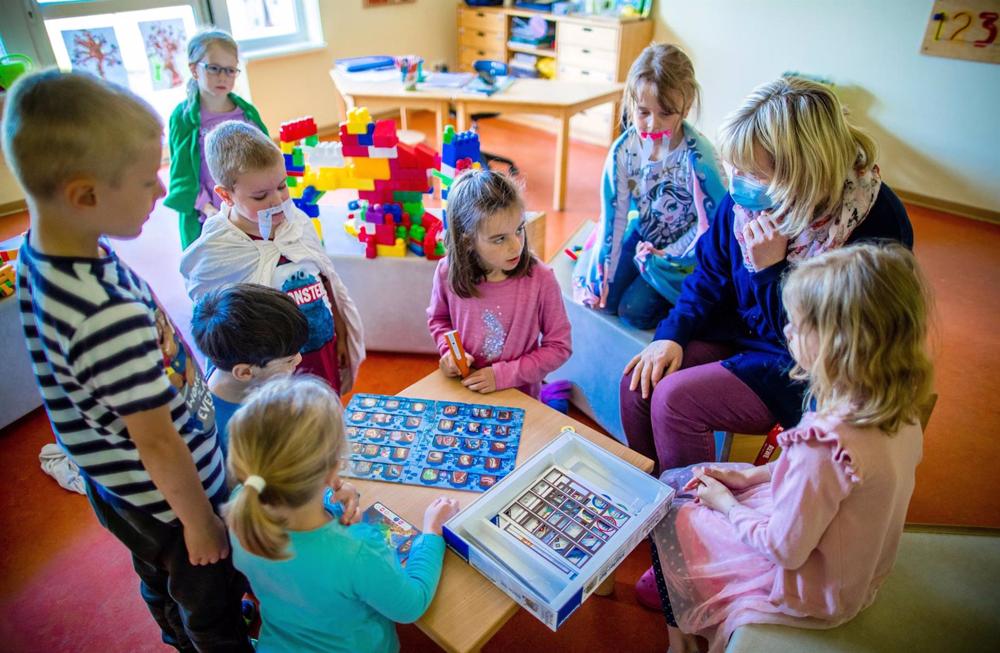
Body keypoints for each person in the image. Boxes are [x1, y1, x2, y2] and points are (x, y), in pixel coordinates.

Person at [621, 76, 913, 608]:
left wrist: (770, 272)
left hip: (802, 363)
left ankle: (696, 553)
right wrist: (671, 336)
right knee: (642, 379)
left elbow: (817, 345)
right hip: (749, 333)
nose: (739, 184)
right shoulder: (753, 200)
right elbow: (708, 275)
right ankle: (663, 519)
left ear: (803, 172)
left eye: (755, 172)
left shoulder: (876, 225)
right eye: (738, 168)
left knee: (674, 401)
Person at [3, 70, 250, 650]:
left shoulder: (52, 248)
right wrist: (199, 522)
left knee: (159, 575)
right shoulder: (102, 314)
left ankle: (171, 626)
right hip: (166, 495)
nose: (162, 191)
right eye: (146, 180)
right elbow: (158, 441)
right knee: (207, 591)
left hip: (117, 483)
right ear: (85, 195)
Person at [650, 243, 932, 653]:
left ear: (837, 343)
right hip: (858, 568)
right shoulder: (900, 408)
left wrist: (727, 502)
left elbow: (782, 548)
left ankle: (679, 637)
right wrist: (754, 474)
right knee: (690, 489)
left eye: (798, 326)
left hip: (811, 588)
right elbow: (835, 485)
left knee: (669, 507)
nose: (786, 332)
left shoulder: (822, 443)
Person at [225, 375, 459, 653]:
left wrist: (328, 499)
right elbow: (410, 607)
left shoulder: (242, 504)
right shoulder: (357, 549)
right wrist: (432, 534)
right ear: (333, 468)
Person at [180, 120, 364, 395]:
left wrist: (340, 331)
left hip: (319, 347)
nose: (277, 200)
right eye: (260, 196)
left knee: (326, 410)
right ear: (225, 195)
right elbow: (218, 327)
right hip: (273, 366)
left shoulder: (297, 223)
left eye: (282, 186)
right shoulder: (217, 251)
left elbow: (326, 280)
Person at [573, 43, 726, 329]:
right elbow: (615, 216)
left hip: (684, 253)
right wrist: (604, 268)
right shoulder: (624, 150)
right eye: (643, 112)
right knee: (604, 299)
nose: (652, 124)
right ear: (631, 103)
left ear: (686, 107)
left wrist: (669, 255)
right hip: (642, 235)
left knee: (633, 312)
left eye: (666, 113)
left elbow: (713, 226)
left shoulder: (699, 159)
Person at [427, 169, 572, 398]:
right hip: (466, 388)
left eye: (519, 230)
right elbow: (439, 319)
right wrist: (450, 354)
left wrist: (502, 376)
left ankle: (551, 395)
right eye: (500, 239)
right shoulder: (447, 271)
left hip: (520, 396)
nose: (516, 246)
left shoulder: (542, 279)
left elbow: (559, 347)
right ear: (468, 242)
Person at [164, 28, 268, 249]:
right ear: (194, 69)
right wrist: (207, 209)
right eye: (214, 68)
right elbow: (181, 174)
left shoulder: (246, 113)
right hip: (208, 214)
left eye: (230, 70)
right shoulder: (184, 118)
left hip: (248, 209)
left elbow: (266, 158)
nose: (223, 77)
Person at [191, 283, 308, 451]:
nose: (299, 359)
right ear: (245, 372)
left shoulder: (228, 365)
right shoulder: (227, 432)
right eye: (288, 361)